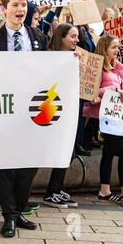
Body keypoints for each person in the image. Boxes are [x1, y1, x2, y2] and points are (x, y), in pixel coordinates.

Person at [0, 0, 47, 238]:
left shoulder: (38, 37)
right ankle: (8, 216)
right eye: (15, 5)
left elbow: (48, 70)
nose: (20, 10)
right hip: (4, 110)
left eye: (23, 5)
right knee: (5, 165)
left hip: (32, 112)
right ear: (4, 8)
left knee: (29, 164)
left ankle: (19, 211)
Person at [83, 35, 123, 208]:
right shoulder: (96, 67)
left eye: (118, 47)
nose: (117, 50)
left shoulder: (117, 66)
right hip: (102, 118)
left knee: (108, 153)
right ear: (105, 47)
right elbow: (89, 90)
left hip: (116, 117)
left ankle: (104, 192)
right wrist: (113, 89)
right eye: (114, 47)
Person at [42, 23, 81, 208]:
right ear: (62, 38)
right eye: (73, 36)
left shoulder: (73, 57)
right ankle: (51, 192)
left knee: (69, 151)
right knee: (63, 150)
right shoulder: (50, 57)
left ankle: (56, 189)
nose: (77, 40)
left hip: (67, 109)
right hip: (51, 109)